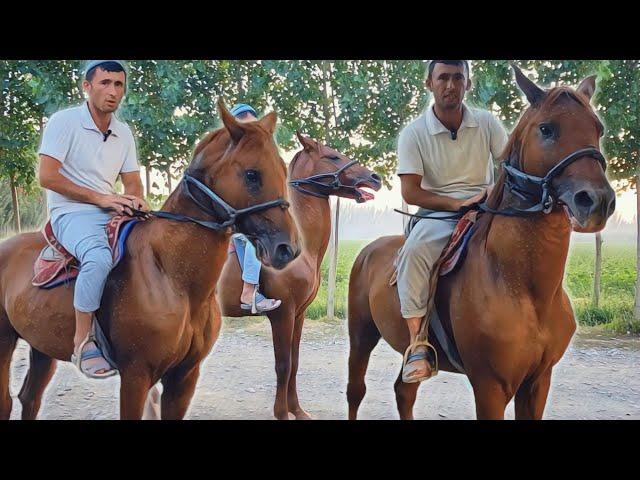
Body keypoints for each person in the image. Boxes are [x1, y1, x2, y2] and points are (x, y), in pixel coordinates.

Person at [396, 60, 509, 383]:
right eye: (443, 78)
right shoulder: (414, 134)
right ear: (428, 84)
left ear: (468, 84)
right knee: (415, 252)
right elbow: (411, 191)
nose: (450, 85)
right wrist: (457, 203)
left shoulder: (487, 123)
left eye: (458, 78)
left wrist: (490, 192)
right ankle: (417, 344)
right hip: (440, 214)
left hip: (490, 208)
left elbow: (508, 164)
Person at [38, 60, 149, 378]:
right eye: (105, 83)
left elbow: (132, 181)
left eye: (119, 84)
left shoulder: (123, 132)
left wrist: (135, 199)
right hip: (70, 211)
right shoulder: (64, 122)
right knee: (99, 257)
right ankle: (83, 342)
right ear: (86, 87)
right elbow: (47, 177)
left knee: (151, 249)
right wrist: (102, 198)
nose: (113, 91)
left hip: (110, 208)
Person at [228, 103, 281, 314]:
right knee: (254, 239)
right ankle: (248, 291)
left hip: (248, 214)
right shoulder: (229, 159)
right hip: (230, 216)